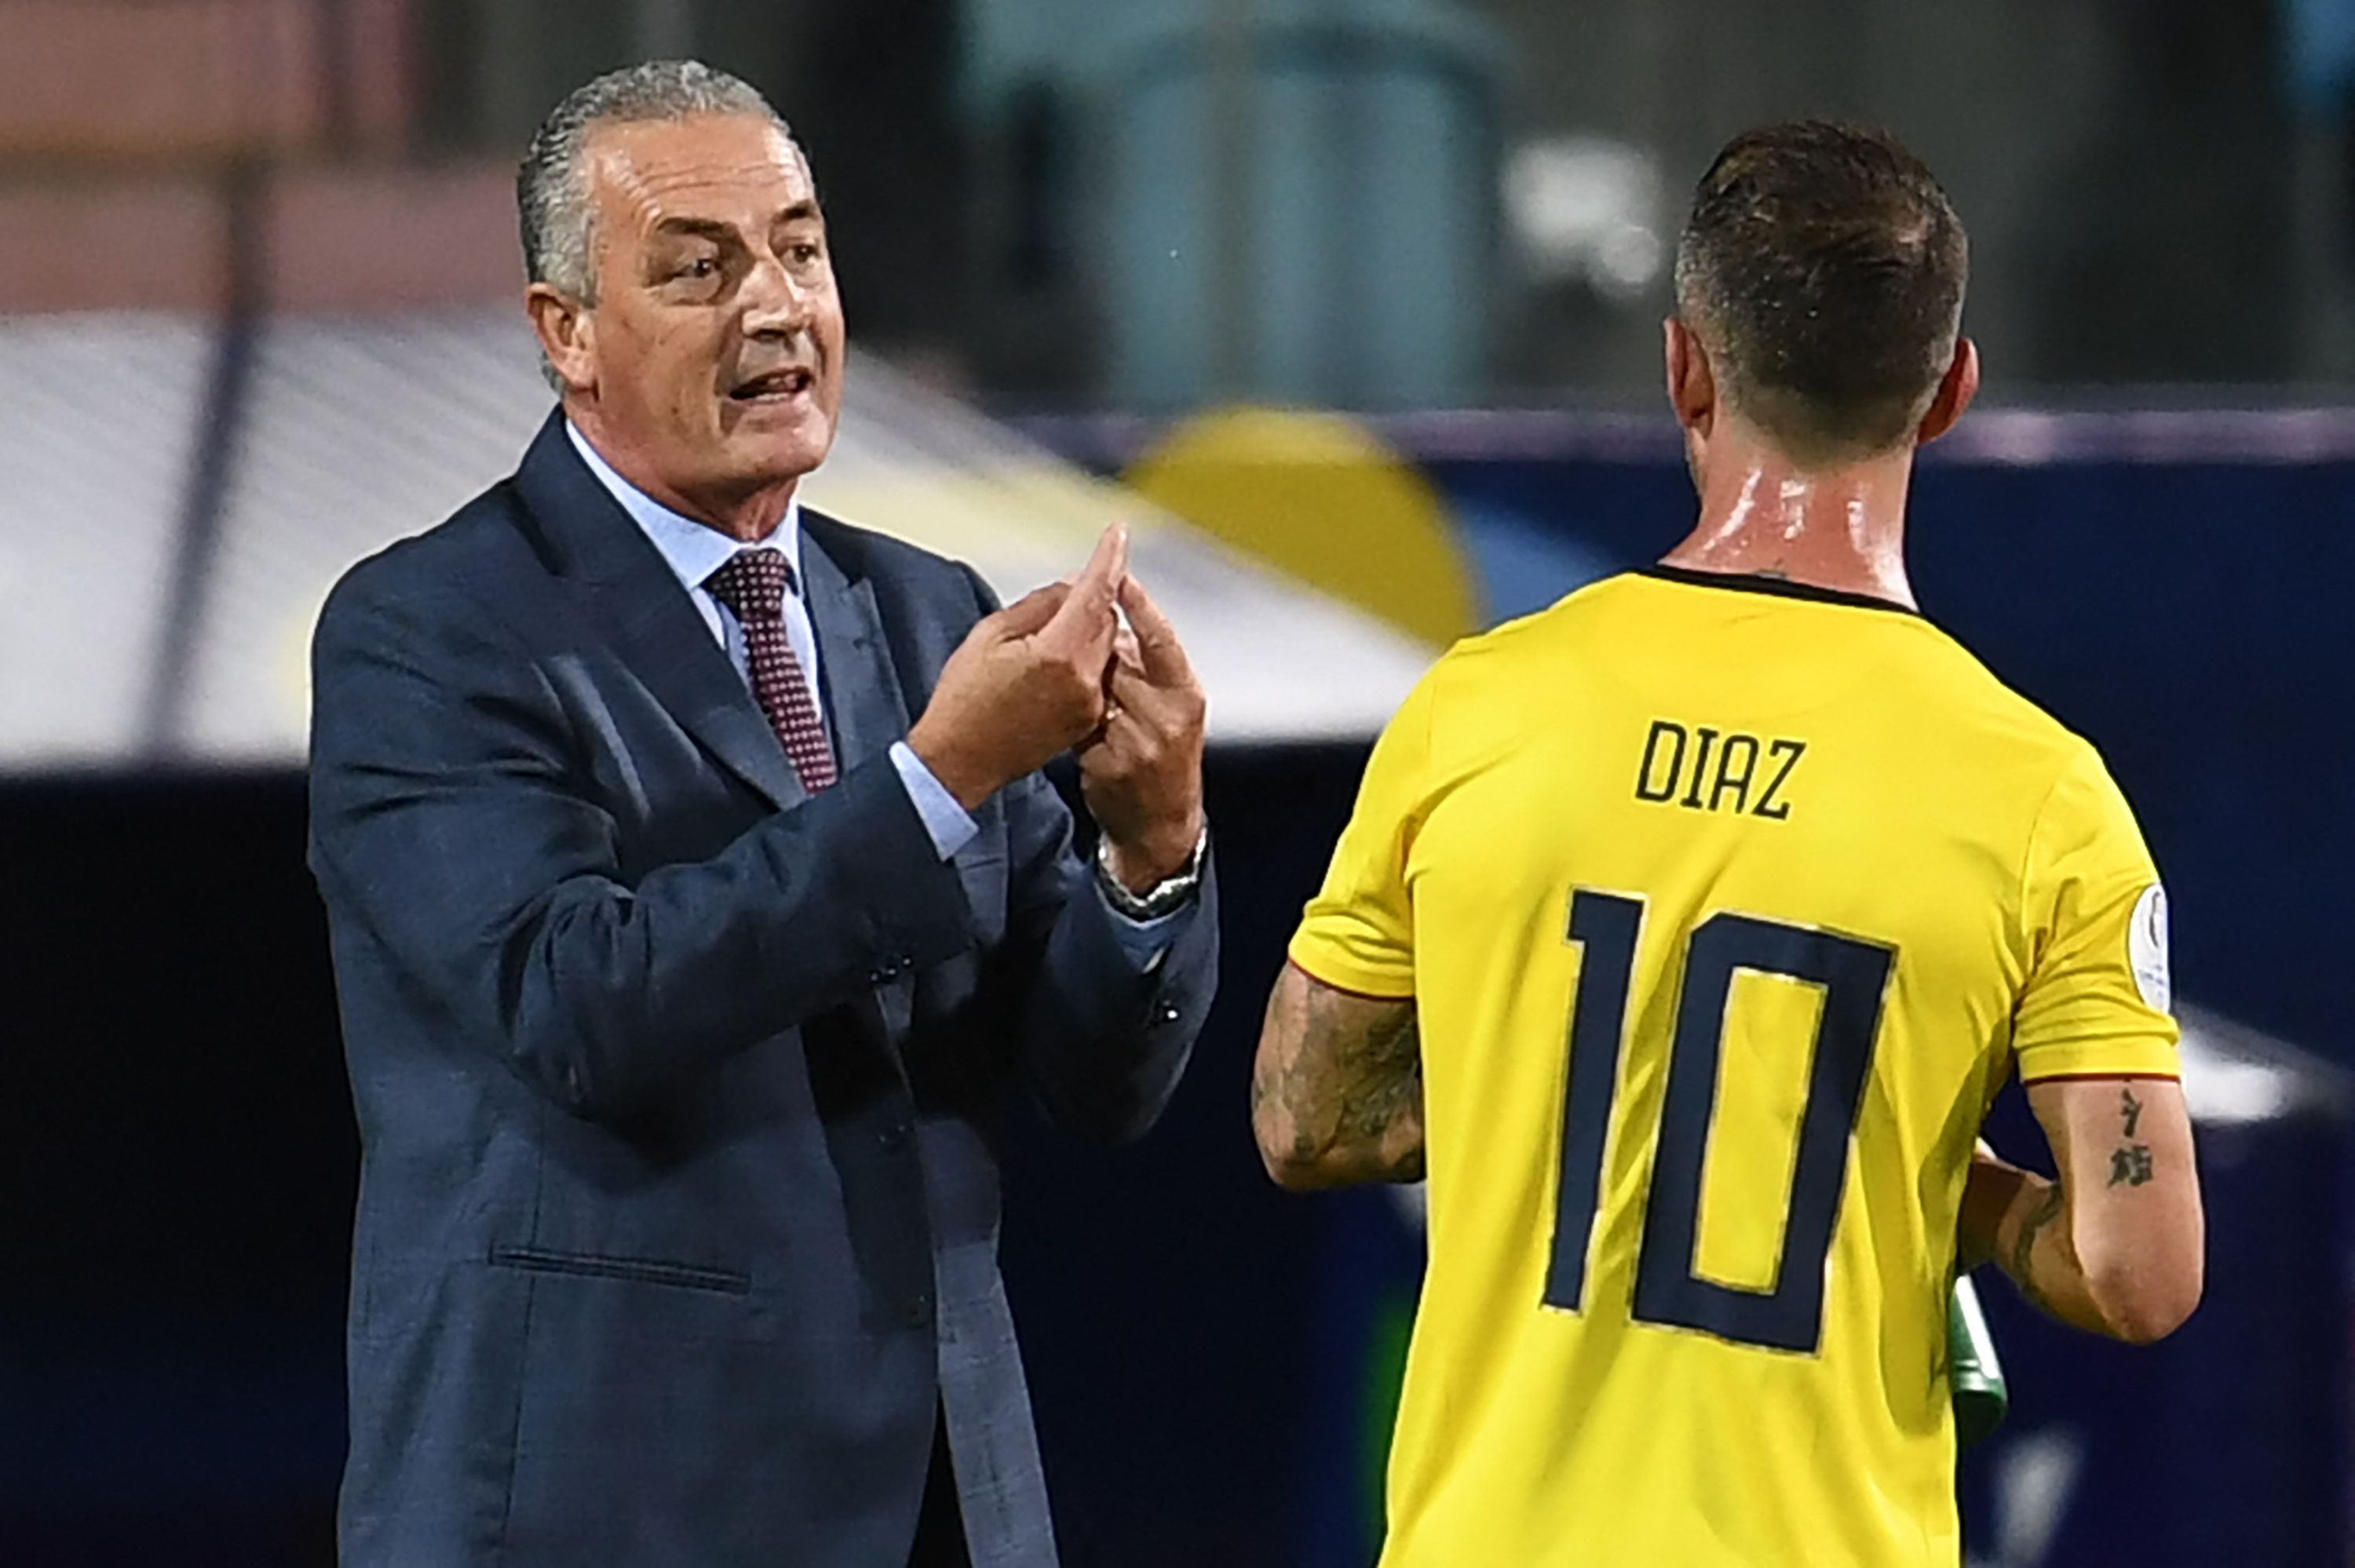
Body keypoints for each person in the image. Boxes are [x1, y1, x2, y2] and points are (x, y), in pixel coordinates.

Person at [1251, 120, 2203, 1566]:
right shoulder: (2041, 799)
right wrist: (1951, 1184)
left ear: (1683, 367)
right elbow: (2142, 1270)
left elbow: (1300, 1116)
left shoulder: (1480, 708)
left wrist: (1546, 1084)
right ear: (1950, 392)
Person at [308, 60, 1216, 1568]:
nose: (776, 306)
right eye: (698, 269)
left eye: (801, 248)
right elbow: (580, 998)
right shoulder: (430, 631)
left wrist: (1150, 849)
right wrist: (932, 781)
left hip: (937, 1502)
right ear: (567, 337)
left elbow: (1091, 1083)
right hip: (603, 1507)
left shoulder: (928, 615)